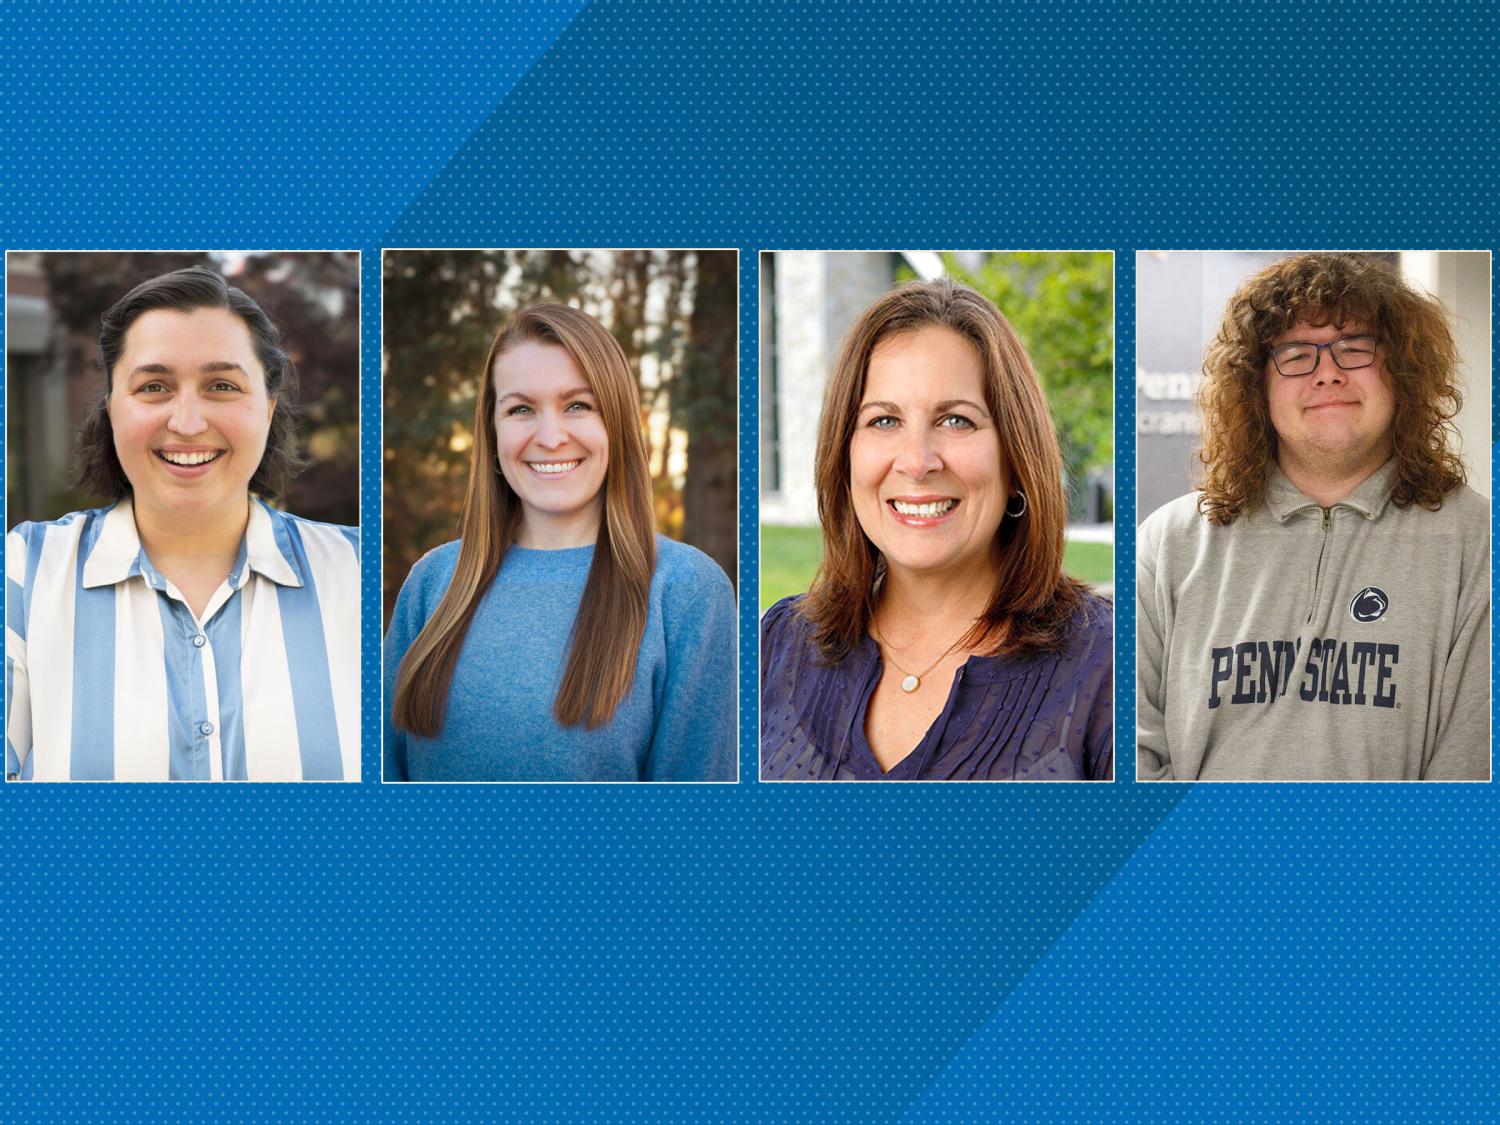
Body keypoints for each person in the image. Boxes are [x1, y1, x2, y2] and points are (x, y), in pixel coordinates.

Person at [1137, 253, 1490, 781]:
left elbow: (1470, 776)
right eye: (1297, 354)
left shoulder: (1479, 544)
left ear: (1403, 370)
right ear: (1257, 385)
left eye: (1355, 348)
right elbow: (1132, 754)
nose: (1328, 373)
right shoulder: (1168, 543)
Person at [5, 265, 360, 781]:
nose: (188, 423)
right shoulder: (22, 573)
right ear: (111, 408)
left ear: (268, 407)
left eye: (221, 385)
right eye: (153, 386)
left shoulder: (356, 572)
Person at [760, 278, 1113, 781]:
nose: (918, 462)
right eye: (883, 421)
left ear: (1016, 457)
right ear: (845, 454)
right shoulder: (779, 645)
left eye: (956, 421)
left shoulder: (1106, 664)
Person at [383, 303, 736, 782]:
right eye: (521, 409)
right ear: (492, 430)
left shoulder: (687, 592)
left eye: (578, 406)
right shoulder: (434, 582)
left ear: (617, 423)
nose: (550, 437)